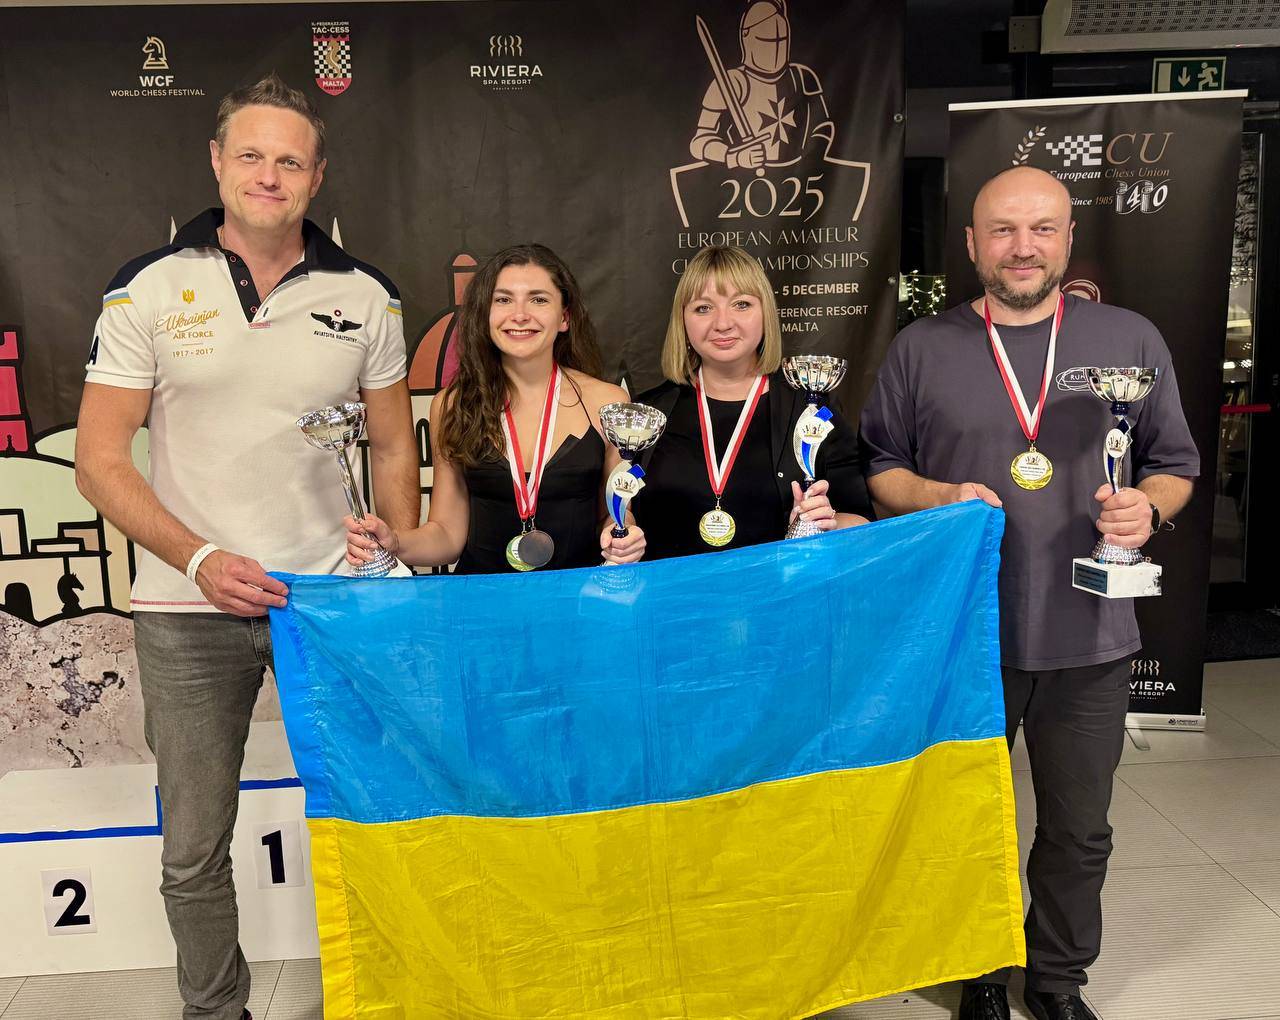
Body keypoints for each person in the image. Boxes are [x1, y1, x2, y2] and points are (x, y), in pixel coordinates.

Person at [74, 74, 419, 1020]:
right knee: (191, 848)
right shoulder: (148, 286)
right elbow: (99, 461)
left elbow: (394, 446)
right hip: (189, 608)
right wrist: (198, 560)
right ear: (217, 162)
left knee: (382, 815)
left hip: (334, 605)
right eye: (252, 156)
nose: (270, 175)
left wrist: (393, 557)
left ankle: (392, 998)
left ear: (318, 176)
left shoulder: (369, 296)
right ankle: (216, 1011)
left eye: (291, 160)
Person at [859, 166, 1198, 1020]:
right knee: (965, 820)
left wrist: (1147, 509)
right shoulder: (922, 347)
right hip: (962, 636)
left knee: (1080, 827)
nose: (1023, 247)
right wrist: (938, 495)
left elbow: (1175, 465)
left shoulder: (1129, 338)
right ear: (972, 243)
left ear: (1068, 239)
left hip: (1090, 635)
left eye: (1042, 228)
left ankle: (1055, 979)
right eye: (1003, 230)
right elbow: (881, 469)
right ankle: (977, 972)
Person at [346, 244, 643, 573]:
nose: (520, 314)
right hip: (480, 597)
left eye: (538, 299)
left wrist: (623, 535)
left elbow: (616, 512)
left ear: (564, 317)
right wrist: (395, 542)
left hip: (578, 596)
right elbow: (446, 534)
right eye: (503, 300)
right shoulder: (452, 404)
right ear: (485, 314)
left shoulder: (607, 403)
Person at [633, 244, 870, 559]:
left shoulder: (812, 409)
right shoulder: (649, 413)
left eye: (741, 304)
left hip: (778, 589)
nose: (723, 323)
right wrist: (621, 535)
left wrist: (828, 523)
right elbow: (621, 513)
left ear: (766, 313)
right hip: (670, 591)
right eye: (703, 308)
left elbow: (863, 521)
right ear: (683, 321)